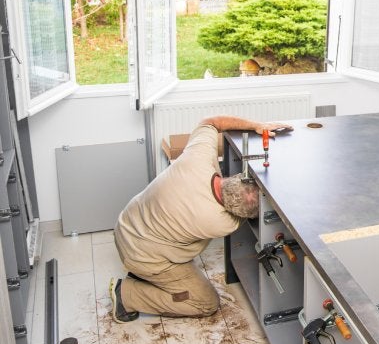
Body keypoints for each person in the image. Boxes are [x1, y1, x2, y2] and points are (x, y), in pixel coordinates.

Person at [109, 115, 293, 323]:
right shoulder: (220, 223)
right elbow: (259, 215)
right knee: (206, 303)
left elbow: (212, 122)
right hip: (142, 256)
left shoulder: (198, 158)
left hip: (127, 224)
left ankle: (146, 276)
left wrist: (258, 125)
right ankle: (127, 295)